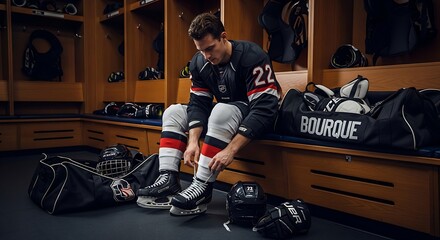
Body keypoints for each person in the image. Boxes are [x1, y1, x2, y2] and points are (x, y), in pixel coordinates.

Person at [137, 12, 281, 216]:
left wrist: (231, 150)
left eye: (210, 48)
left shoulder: (252, 56)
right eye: (201, 50)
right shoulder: (199, 62)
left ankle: (202, 186)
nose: (206, 56)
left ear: (223, 36)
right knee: (173, 112)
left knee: (221, 110)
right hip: (227, 113)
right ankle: (168, 178)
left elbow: (266, 109)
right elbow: (198, 103)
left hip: (257, 112)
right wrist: (193, 141)